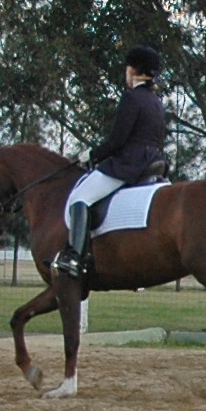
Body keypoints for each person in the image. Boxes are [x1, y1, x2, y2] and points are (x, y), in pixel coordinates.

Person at [52, 46, 169, 278]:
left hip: (129, 164)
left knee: (80, 197)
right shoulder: (155, 101)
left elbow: (117, 140)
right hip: (154, 161)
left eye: (127, 68)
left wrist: (92, 155)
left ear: (133, 70)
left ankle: (74, 257)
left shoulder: (132, 98)